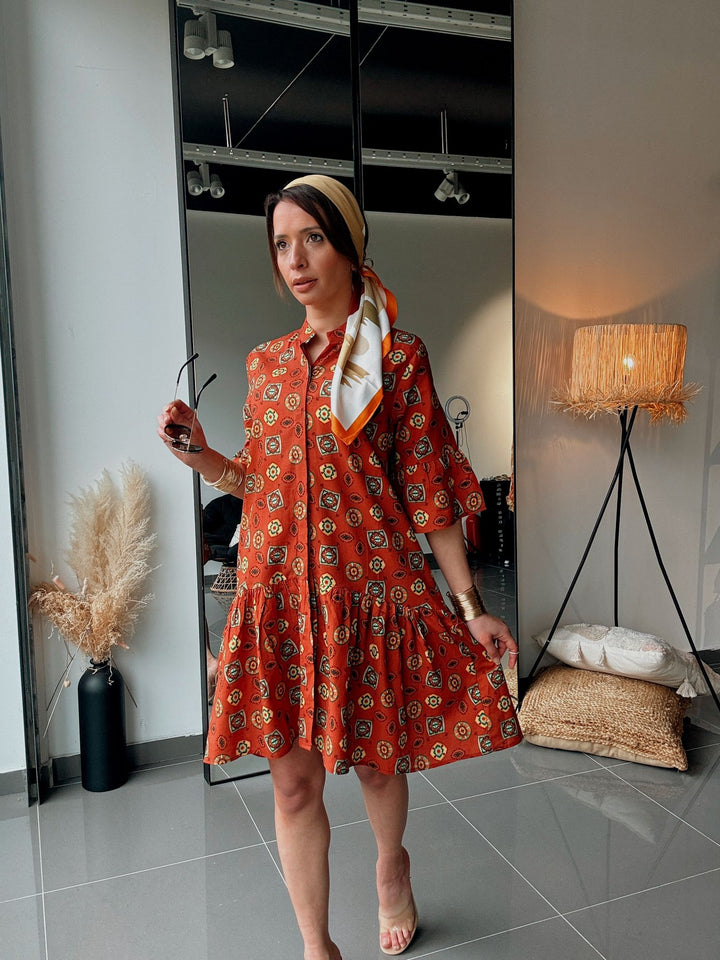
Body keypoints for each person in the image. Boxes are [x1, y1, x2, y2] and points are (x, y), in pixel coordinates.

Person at [158, 174, 522, 960]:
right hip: (280, 594)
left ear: (350, 244)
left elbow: (427, 489)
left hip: (368, 593)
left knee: (377, 761)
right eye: (282, 244)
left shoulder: (395, 357)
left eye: (312, 238)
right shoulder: (264, 365)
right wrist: (203, 453)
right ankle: (315, 946)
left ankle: (392, 867)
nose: (295, 259)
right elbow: (259, 476)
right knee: (292, 781)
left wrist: (471, 605)